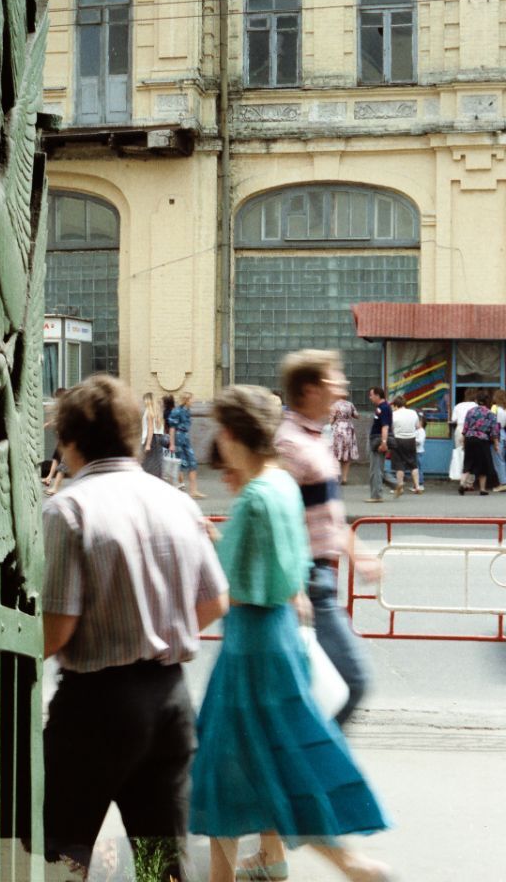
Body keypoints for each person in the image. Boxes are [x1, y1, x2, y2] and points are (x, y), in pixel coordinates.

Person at [190, 385, 390, 882]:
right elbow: (276, 565)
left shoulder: (254, 499)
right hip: (278, 635)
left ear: (231, 433)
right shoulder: (280, 484)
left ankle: (347, 864)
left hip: (249, 650)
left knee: (228, 767)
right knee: (272, 761)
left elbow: (230, 591)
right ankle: (323, 862)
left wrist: (176, 634)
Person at [41, 374, 229, 880]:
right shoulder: (177, 501)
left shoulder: (68, 509)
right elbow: (215, 600)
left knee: (63, 852)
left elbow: (57, 630)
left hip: (95, 710)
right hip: (169, 703)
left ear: (71, 441)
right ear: (136, 437)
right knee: (161, 861)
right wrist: (157, 629)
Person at [239, 350, 383, 881]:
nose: (343, 385)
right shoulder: (288, 445)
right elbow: (275, 519)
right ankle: (299, 790)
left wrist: (356, 552)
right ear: (310, 388)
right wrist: (294, 583)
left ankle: (275, 839)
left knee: (313, 707)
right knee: (347, 687)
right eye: (334, 379)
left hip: (320, 582)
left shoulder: (314, 440)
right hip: (304, 587)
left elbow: (326, 517)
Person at [458, 390, 500, 496]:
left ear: (476, 400)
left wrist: (463, 439)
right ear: (487, 401)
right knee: (483, 464)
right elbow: (494, 432)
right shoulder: (491, 414)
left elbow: (465, 427)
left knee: (468, 462)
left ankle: (462, 484)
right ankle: (482, 489)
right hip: (482, 440)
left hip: (470, 438)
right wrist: (496, 444)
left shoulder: (470, 411)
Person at [168, 391, 206, 499]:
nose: (193, 401)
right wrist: (172, 444)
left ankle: (193, 491)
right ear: (186, 400)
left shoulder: (187, 410)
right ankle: (179, 489)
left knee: (192, 462)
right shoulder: (176, 411)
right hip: (178, 438)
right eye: (192, 399)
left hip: (185, 438)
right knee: (179, 465)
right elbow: (172, 428)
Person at [389, 395, 421, 498]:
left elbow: (391, 428)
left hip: (398, 440)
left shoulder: (393, 414)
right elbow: (418, 426)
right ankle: (417, 486)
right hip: (411, 440)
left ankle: (400, 486)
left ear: (395, 405)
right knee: (413, 464)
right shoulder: (413, 413)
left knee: (399, 465)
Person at [367, 387, 393, 503]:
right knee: (376, 468)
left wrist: (384, 443)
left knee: (376, 469)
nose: (370, 397)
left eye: (371, 395)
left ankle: (376, 496)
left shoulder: (384, 408)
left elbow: (385, 427)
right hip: (377, 440)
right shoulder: (381, 407)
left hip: (378, 441)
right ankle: (376, 494)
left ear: (377, 395)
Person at [330, 394, 359, 484]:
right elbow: (357, 416)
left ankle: (335, 477)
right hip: (348, 430)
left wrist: (329, 426)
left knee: (335, 454)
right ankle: (344, 478)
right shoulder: (350, 404)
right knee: (346, 454)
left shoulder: (334, 405)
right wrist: (349, 415)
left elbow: (331, 419)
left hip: (337, 430)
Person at [141, 391, 165, 478]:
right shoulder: (157, 412)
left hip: (151, 439)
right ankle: (157, 479)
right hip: (158, 438)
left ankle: (148, 480)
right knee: (157, 462)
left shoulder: (149, 412)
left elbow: (150, 429)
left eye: (144, 400)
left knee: (147, 463)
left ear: (147, 400)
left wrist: (148, 444)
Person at [490, 389, 506, 492]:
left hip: (497, 434)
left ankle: (503, 483)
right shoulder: (505, 409)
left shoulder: (494, 407)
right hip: (504, 434)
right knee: (503, 459)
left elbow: (492, 422)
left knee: (498, 460)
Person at [414, 414, 426, 492]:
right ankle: (416, 485)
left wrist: (412, 441)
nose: (415, 423)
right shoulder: (417, 430)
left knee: (418, 469)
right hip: (415, 452)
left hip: (419, 452)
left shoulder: (421, 431)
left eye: (417, 422)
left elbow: (420, 441)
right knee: (415, 468)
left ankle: (420, 484)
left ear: (421, 423)